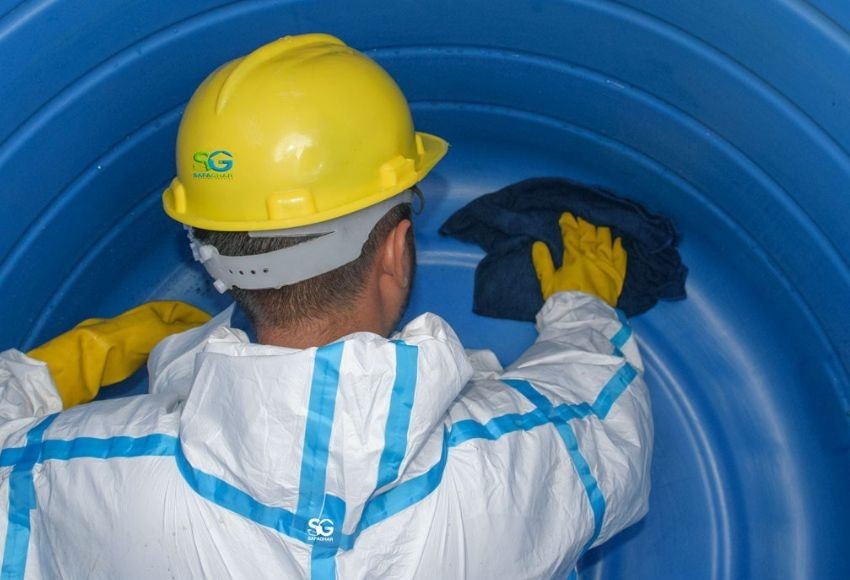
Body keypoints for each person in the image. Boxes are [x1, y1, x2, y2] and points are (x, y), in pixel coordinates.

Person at [0, 33, 652, 579]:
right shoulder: (521, 455)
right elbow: (607, 409)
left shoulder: (91, 473)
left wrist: (82, 356)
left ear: (215, 260)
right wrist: (582, 307)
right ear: (395, 250)